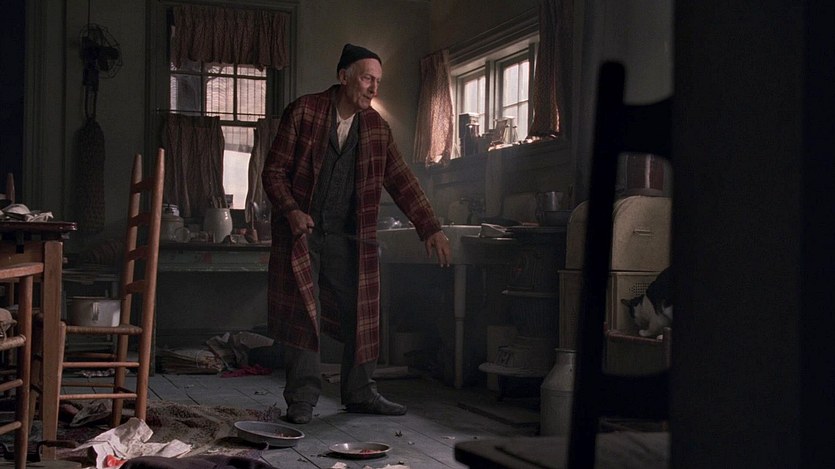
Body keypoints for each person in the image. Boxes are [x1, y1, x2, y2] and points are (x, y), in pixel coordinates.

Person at [261, 43, 451, 424]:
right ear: (343, 76)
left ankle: (360, 392)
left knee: (362, 309)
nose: (373, 88)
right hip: (302, 234)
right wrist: (292, 211)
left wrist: (430, 226)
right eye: (367, 78)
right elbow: (274, 172)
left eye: (378, 81)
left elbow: (402, 180)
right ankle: (302, 399)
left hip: (346, 237)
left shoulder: (377, 128)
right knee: (305, 313)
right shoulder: (304, 112)